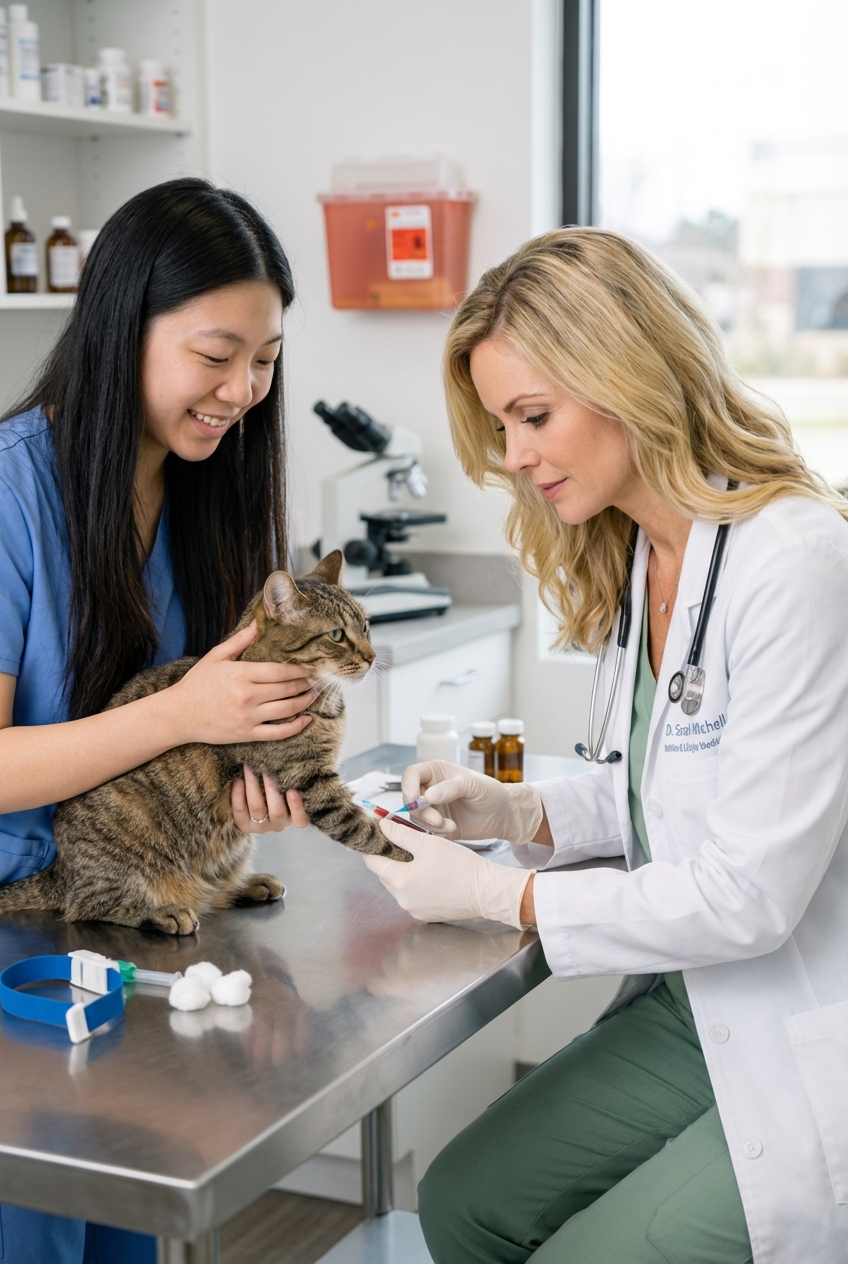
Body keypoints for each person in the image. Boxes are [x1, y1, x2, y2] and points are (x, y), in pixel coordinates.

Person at [366, 228, 848, 1263]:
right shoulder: (645, 552)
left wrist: (503, 894)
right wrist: (518, 811)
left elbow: (749, 894)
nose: (513, 456)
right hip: (694, 1002)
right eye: (502, 425)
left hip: (804, 1016)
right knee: (462, 1202)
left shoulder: (793, 563)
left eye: (532, 416)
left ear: (627, 374)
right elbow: (661, 787)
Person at [0, 178, 312, 1263]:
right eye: (214, 354)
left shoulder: (204, 496)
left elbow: (174, 752)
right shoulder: (10, 496)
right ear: (118, 326)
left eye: (264, 360)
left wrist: (243, 782)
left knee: (125, 1230)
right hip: (17, 937)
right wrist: (187, 709)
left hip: (117, 930)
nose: (241, 390)